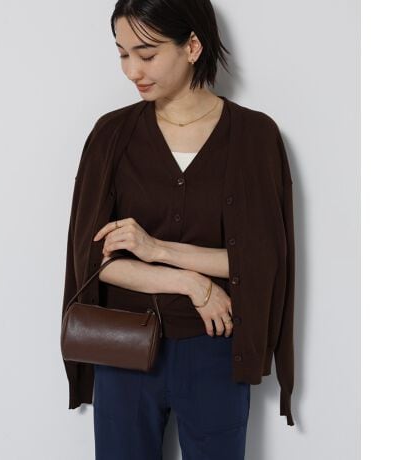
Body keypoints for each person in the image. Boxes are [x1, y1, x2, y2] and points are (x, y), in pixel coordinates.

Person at [61, 1, 296, 458]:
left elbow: (261, 261)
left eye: (147, 54)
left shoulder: (254, 136)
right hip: (124, 348)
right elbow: (92, 261)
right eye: (122, 53)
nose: (132, 70)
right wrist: (192, 283)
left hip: (215, 349)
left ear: (192, 46)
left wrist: (156, 249)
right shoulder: (111, 135)